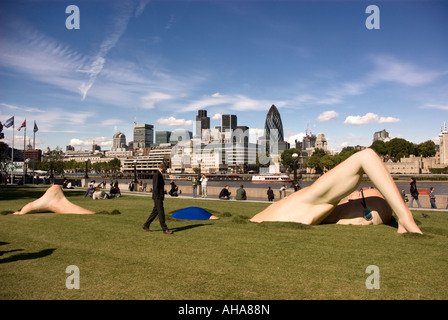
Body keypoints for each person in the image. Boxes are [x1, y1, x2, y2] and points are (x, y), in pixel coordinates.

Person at [250, 148, 422, 234]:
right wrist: (404, 216)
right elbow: (367, 156)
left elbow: (367, 156)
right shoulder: (314, 201)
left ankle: (404, 219)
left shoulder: (314, 202)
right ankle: (405, 219)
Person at [13, 185, 95, 215]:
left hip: (53, 198)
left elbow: (29, 207)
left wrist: (20, 212)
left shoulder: (30, 206)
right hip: (53, 198)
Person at [142, 163, 173, 234]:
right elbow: (155, 186)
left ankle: (146, 225)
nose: (166, 170)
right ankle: (165, 229)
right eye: (165, 168)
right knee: (161, 212)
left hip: (158, 196)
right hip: (158, 196)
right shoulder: (157, 174)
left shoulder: (159, 174)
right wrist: (158, 196)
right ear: (163, 167)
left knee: (155, 211)